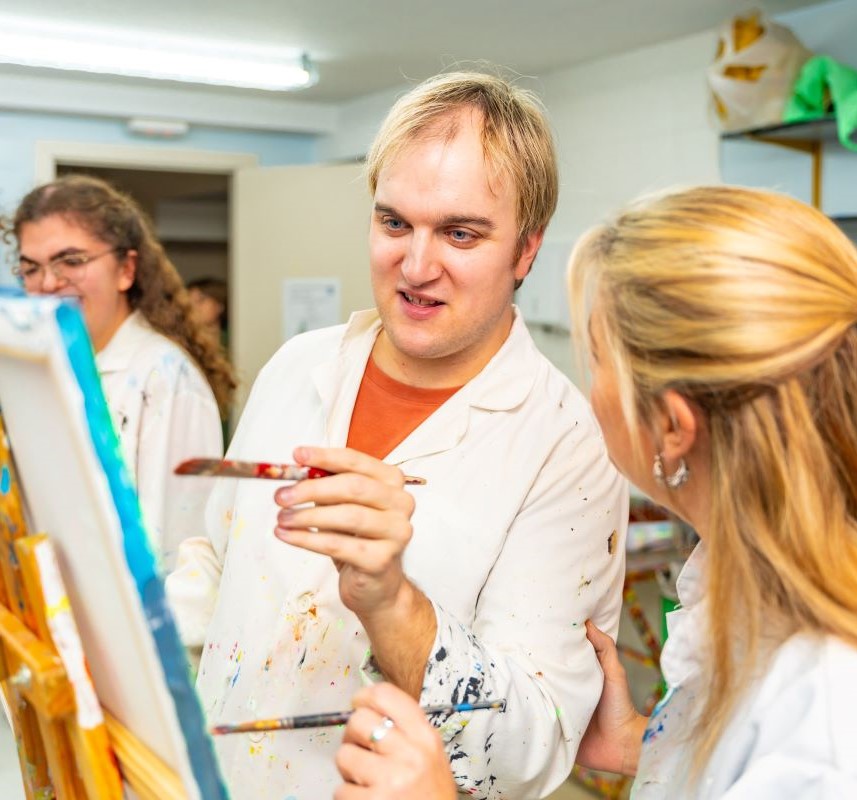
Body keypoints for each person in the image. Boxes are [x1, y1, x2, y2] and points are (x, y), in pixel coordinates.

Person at [166, 71, 628, 799]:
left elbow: (529, 750)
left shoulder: (566, 446)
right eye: (393, 224)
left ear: (525, 251)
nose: (415, 267)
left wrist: (390, 600)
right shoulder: (298, 366)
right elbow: (220, 563)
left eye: (460, 232)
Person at [333, 185, 857, 798]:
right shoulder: (754, 577)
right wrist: (650, 741)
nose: (587, 385)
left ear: (671, 426)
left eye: (600, 359)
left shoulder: (823, 705)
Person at [6, 175, 236, 570]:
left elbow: (173, 555)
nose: (47, 284)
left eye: (71, 261)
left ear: (126, 270)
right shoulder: (39, 368)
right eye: (31, 268)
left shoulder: (165, 381)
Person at [187, 276, 228, 346]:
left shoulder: (235, 339)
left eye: (201, 300)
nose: (193, 307)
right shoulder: (183, 342)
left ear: (220, 305)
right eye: (189, 301)